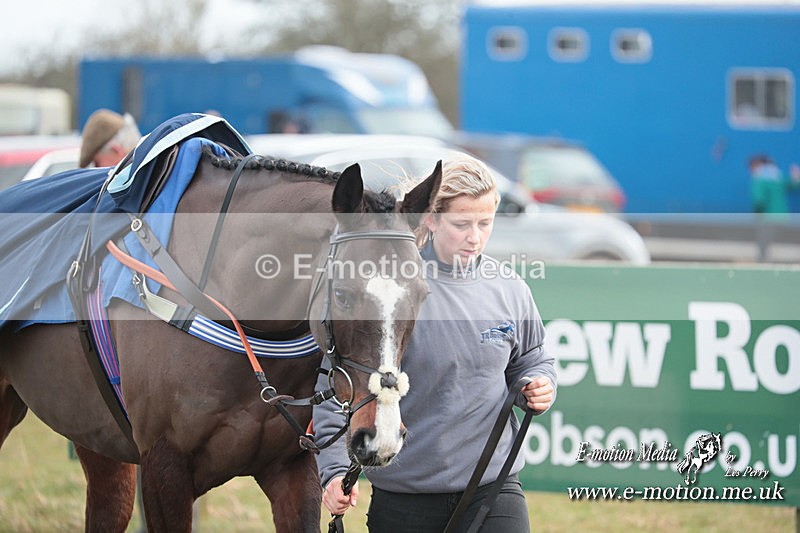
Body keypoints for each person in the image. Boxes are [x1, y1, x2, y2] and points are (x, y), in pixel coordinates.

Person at [313, 155, 557, 532]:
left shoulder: (510, 288)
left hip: (493, 487)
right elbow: (335, 385)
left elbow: (533, 359)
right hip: (405, 498)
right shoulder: (390, 291)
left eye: (485, 223)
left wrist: (539, 384)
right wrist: (332, 472)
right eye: (461, 224)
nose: (475, 237)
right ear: (430, 219)